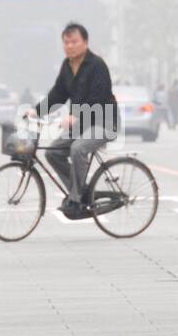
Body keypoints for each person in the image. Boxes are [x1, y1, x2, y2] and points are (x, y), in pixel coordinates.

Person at [28, 22, 116, 219]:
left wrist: (76, 116)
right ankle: (81, 192)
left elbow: (99, 97)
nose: (69, 46)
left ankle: (76, 200)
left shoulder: (97, 65)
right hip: (81, 124)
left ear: (85, 42)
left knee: (78, 148)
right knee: (53, 153)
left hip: (104, 122)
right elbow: (58, 94)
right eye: (66, 42)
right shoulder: (67, 66)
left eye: (74, 42)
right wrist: (36, 111)